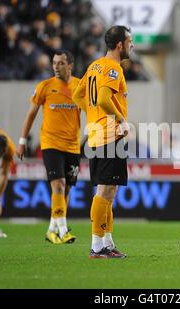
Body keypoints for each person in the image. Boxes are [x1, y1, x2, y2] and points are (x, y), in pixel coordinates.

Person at [72, 25, 133, 259]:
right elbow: (106, 98)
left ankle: (107, 242)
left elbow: (78, 95)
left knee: (110, 190)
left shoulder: (94, 66)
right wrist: (121, 119)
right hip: (109, 135)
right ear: (120, 44)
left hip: (98, 133)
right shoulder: (113, 68)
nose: (132, 45)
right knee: (105, 190)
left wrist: (93, 114)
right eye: (129, 41)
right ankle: (97, 246)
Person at [17, 50, 80, 244]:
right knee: (58, 185)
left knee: (66, 190)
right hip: (51, 143)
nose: (56, 66)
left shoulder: (80, 86)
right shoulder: (45, 87)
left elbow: (91, 110)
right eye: (54, 63)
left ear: (70, 65)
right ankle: (63, 231)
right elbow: (31, 115)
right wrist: (22, 141)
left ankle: (51, 230)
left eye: (61, 63)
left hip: (73, 146)